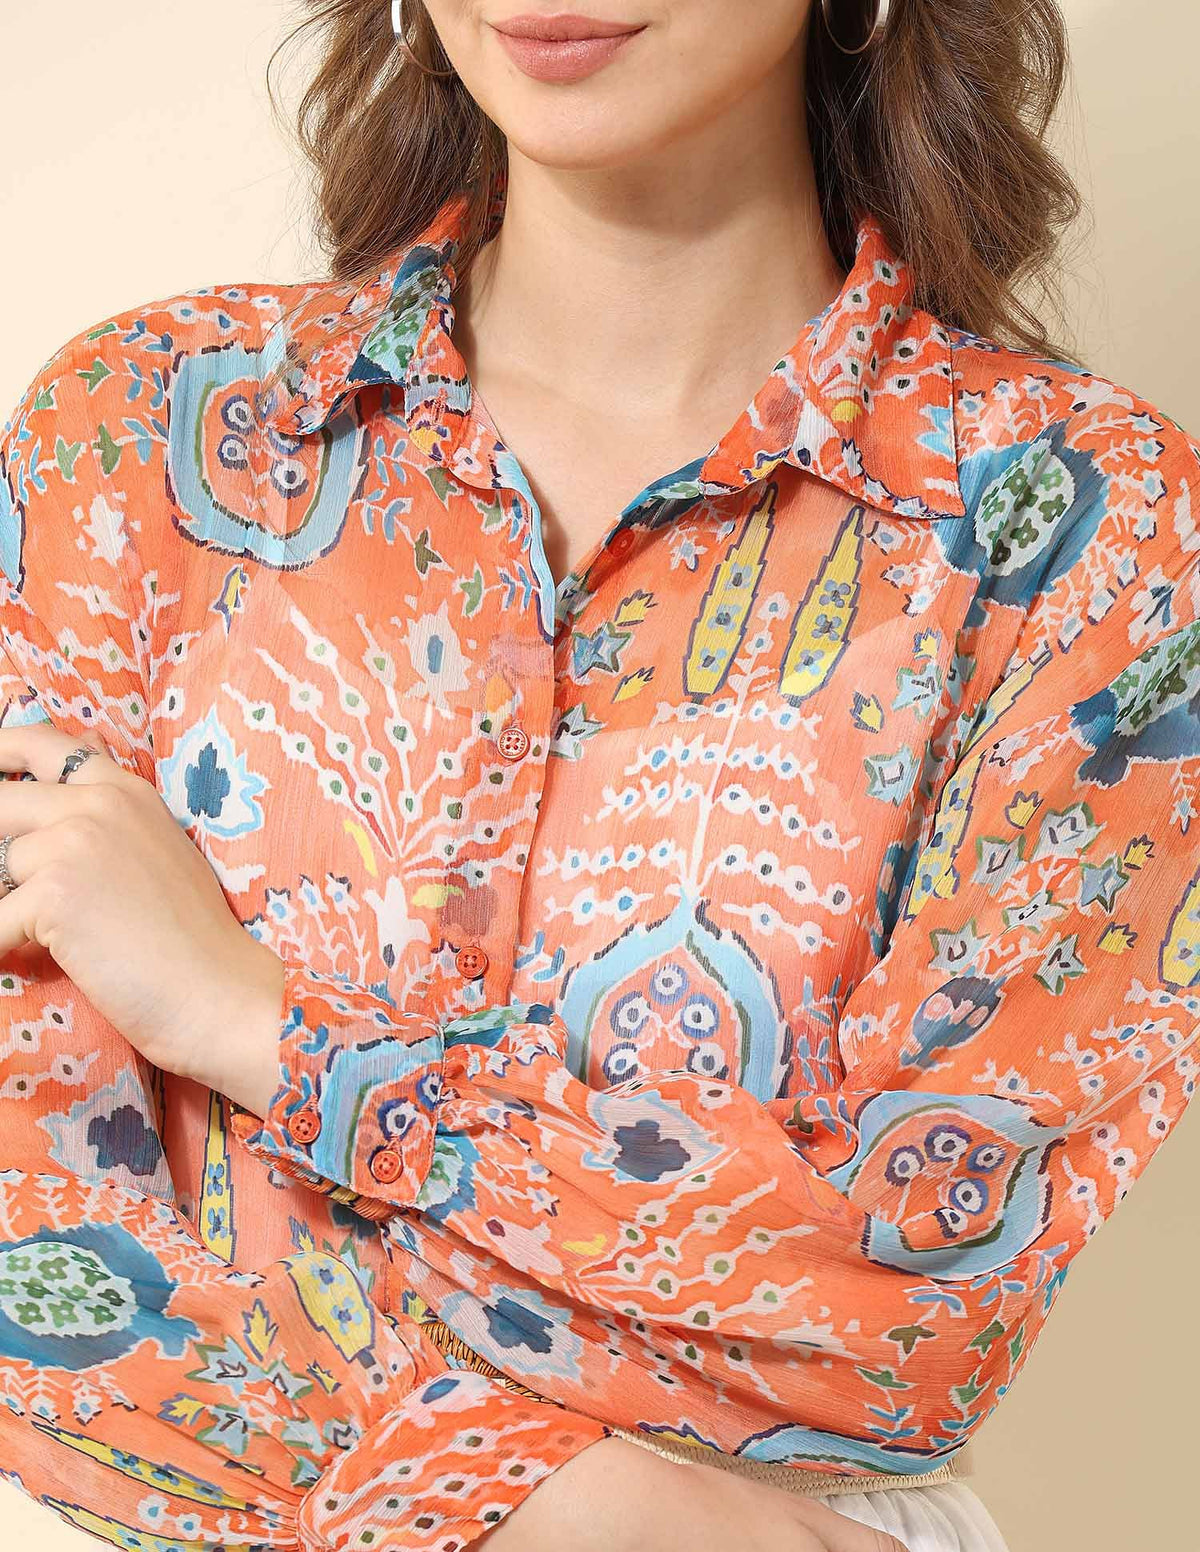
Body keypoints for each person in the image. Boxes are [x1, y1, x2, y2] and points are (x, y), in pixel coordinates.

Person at [0, 1, 1195, 1550]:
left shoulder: (1087, 536)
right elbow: (35, 1258)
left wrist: (252, 1030)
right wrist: (586, 1505)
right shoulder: (142, 445)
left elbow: (906, 1313)